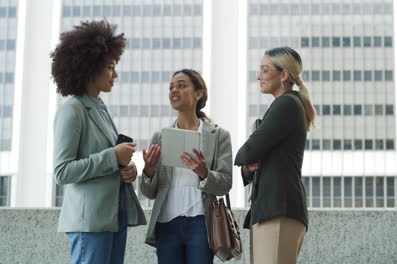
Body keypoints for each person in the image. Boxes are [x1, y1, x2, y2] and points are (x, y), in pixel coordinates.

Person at [51, 20, 146, 264]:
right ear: (90, 68)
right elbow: (62, 172)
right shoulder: (72, 110)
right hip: (90, 222)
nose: (115, 74)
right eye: (110, 67)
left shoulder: (100, 108)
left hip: (112, 217)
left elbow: (109, 160)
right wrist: (112, 157)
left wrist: (127, 170)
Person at [140, 69, 233, 264]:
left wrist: (203, 172)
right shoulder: (160, 136)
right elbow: (149, 192)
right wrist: (148, 170)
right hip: (166, 223)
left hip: (201, 222)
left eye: (182, 86)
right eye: (171, 87)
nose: (174, 90)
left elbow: (224, 184)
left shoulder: (218, 136)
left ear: (198, 93)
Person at [234, 46, 316, 264]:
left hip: (279, 209)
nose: (258, 76)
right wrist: (246, 168)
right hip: (272, 210)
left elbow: (249, 150)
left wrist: (250, 147)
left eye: (264, 70)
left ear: (284, 75)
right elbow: (253, 157)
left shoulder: (287, 103)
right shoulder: (285, 104)